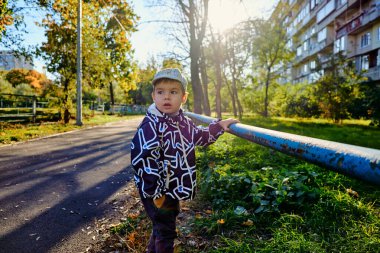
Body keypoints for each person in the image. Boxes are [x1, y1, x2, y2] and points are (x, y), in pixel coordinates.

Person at [130, 68, 238, 253]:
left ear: (183, 97)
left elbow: (201, 137)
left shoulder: (183, 122)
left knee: (162, 227)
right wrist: (155, 193)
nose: (166, 97)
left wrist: (219, 126)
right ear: (153, 96)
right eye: (161, 92)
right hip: (156, 191)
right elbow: (143, 158)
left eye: (173, 92)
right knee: (166, 231)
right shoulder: (151, 125)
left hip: (172, 187)